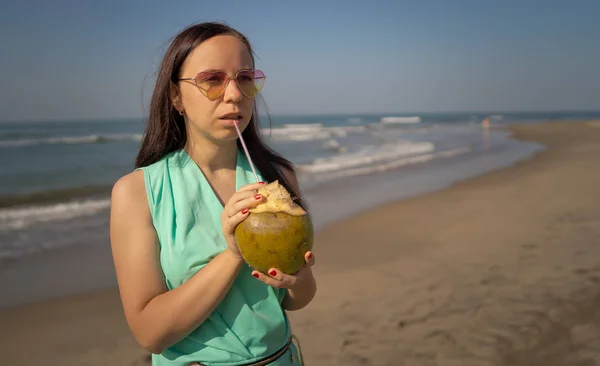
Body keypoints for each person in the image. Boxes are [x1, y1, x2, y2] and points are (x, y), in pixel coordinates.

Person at [109, 22, 316, 366]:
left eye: (245, 78)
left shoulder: (278, 179)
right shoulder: (137, 193)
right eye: (212, 80)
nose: (234, 94)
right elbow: (150, 333)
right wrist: (234, 253)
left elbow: (296, 299)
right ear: (176, 96)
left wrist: (300, 278)